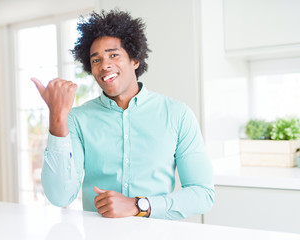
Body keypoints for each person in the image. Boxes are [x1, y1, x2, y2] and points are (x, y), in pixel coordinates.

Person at [31, 9, 214, 220]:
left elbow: (203, 194)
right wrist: (57, 118)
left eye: (113, 55)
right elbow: (60, 197)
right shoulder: (76, 119)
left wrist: (139, 206)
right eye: (96, 60)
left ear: (135, 60)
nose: (104, 65)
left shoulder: (177, 115)